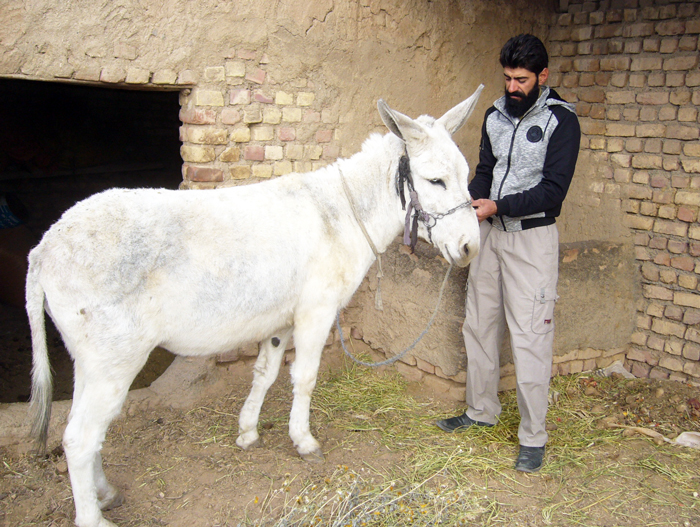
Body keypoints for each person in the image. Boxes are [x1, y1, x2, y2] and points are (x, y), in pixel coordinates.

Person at [436, 34, 581, 473]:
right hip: (488, 237)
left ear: (543, 76)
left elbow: (553, 191)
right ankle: (481, 411)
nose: (512, 88)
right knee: (479, 324)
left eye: (521, 80)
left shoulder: (562, 122)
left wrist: (499, 206)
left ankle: (533, 437)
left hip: (532, 240)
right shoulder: (495, 115)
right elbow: (485, 173)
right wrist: (466, 207)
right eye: (507, 79)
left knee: (530, 336)